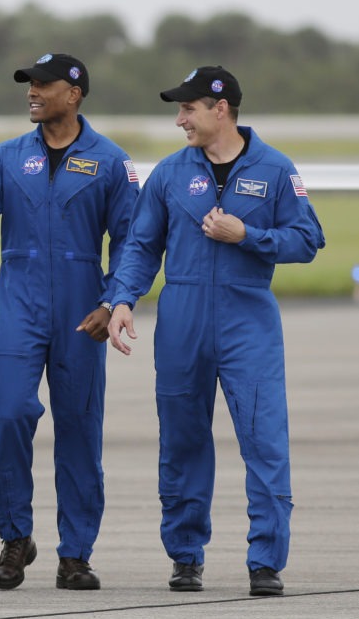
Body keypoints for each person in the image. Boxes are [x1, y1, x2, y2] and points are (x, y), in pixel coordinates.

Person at [106, 66, 325, 596]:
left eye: (188, 109)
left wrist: (249, 234)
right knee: (181, 441)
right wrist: (121, 299)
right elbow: (140, 245)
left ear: (220, 108)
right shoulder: (169, 173)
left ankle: (266, 561)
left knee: (264, 441)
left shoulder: (275, 170)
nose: (180, 119)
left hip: (247, 320)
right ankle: (185, 556)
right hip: (181, 320)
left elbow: (307, 238)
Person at [0, 53, 139, 591]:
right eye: (29, 84)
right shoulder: (6, 156)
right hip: (20, 307)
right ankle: (16, 537)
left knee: (79, 432)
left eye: (43, 84)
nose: (32, 92)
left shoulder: (110, 162)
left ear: (74, 93)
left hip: (81, 309)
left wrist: (112, 301)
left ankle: (76, 555)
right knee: (9, 413)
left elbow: (132, 242)